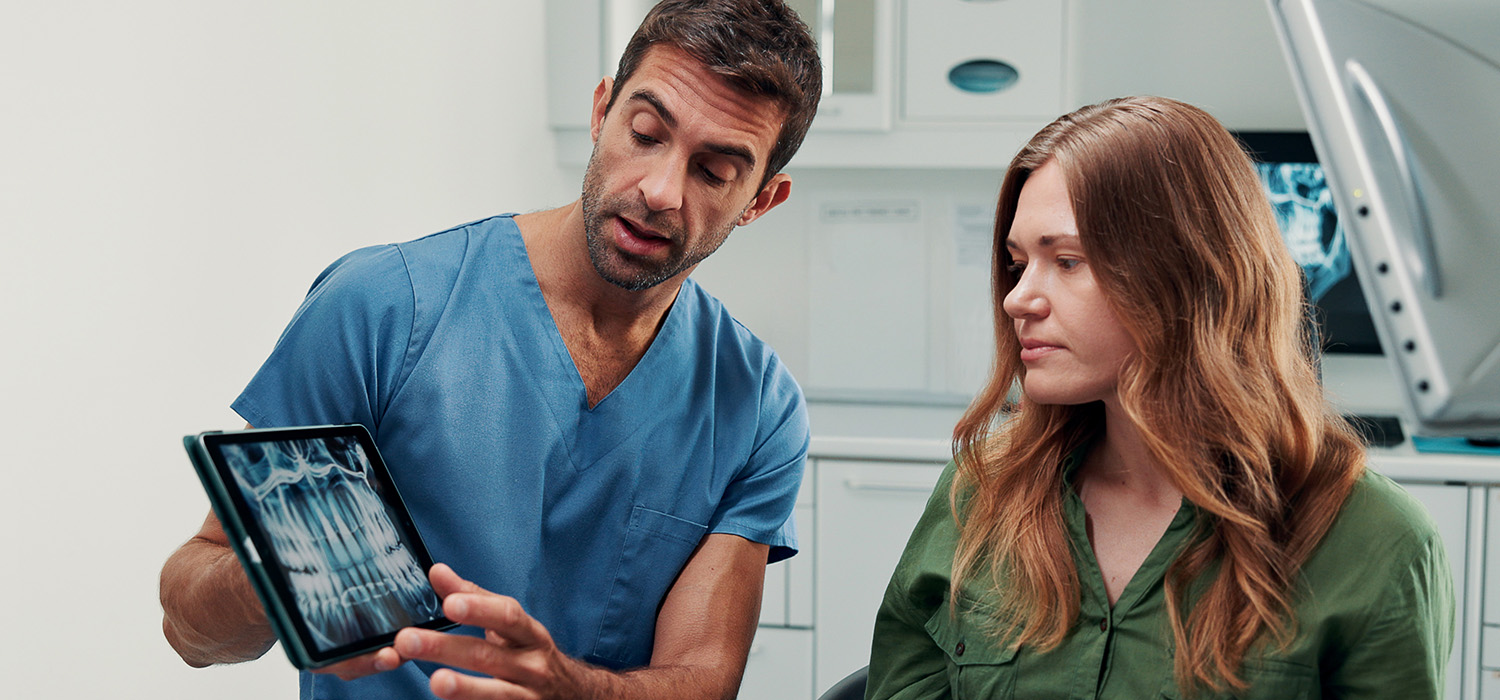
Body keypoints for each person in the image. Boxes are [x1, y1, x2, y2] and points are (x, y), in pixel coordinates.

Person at [159, 2, 821, 698]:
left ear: (760, 200)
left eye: (714, 172)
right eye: (646, 132)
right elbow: (188, 626)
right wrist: (281, 582)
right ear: (602, 112)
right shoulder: (384, 309)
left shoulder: (756, 405)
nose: (658, 190)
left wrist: (569, 688)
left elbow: (704, 678)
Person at [866, 96, 1454, 700]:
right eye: (1018, 265)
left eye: (1067, 261)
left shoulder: (1376, 541)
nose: (1018, 298)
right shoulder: (982, 489)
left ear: (1190, 274)